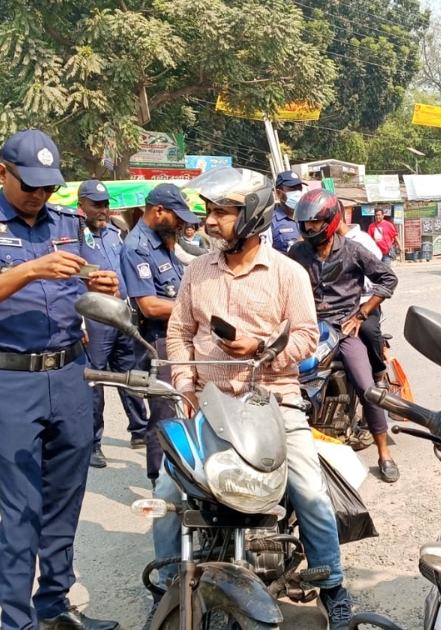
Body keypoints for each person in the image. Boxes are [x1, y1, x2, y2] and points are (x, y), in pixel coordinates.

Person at [157, 167, 356, 629]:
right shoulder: (197, 271)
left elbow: (306, 336)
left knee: (310, 491)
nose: (210, 221)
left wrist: (260, 348)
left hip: (272, 400)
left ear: (250, 216)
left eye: (221, 212)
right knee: (167, 493)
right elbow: (179, 332)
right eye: (209, 211)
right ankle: (170, 589)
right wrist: (184, 385)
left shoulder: (287, 273)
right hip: (206, 405)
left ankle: (332, 585)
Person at [0, 129, 120, 630]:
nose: (40, 195)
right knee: (23, 508)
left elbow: (88, 289)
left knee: (65, 500)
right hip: (8, 381)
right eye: (30, 185)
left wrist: (102, 286)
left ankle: (54, 606)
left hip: (69, 373)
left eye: (49, 187)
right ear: (4, 173)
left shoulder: (68, 222)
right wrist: (30, 270)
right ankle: (16, 623)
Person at [289, 189, 401, 481]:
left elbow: (388, 278)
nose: (309, 228)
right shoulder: (297, 252)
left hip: (344, 330)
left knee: (367, 387)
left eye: (315, 222)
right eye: (306, 222)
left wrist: (362, 314)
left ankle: (384, 453)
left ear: (329, 220)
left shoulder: (353, 250)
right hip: (308, 329)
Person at [120, 183, 200, 487]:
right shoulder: (137, 247)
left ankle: (185, 477)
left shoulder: (164, 241)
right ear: (159, 211)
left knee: (186, 407)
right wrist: (199, 308)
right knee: (165, 413)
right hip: (159, 342)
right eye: (177, 217)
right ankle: (160, 482)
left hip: (181, 336)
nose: (181, 224)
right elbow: (150, 305)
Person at [79, 179, 148, 468]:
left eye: (105, 204)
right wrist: (79, 322)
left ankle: (140, 430)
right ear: (81, 205)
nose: (102, 210)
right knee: (94, 381)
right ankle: (93, 443)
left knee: (129, 374)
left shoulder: (116, 232)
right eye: (96, 205)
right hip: (94, 318)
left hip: (122, 315)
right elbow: (70, 281)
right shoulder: (75, 236)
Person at [337, 213, 389, 377]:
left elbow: (380, 276)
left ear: (338, 218)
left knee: (368, 331)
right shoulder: (322, 243)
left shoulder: (362, 241)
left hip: (364, 302)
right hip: (334, 304)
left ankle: (378, 373)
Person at [271, 170, 304, 254]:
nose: (298, 193)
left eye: (300, 188)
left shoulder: (309, 217)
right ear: (278, 193)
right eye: (292, 189)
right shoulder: (270, 223)